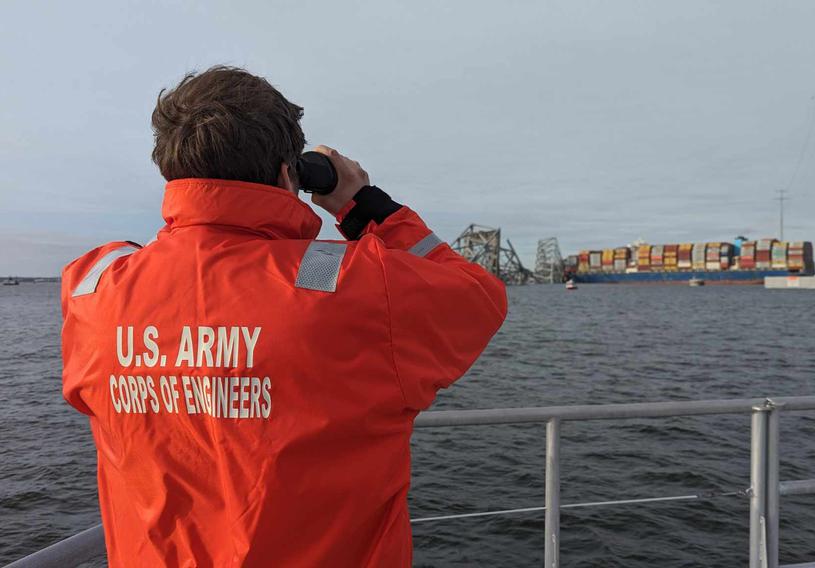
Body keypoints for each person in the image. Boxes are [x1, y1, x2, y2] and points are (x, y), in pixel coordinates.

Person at [60, 66, 507, 567]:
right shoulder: (358, 284)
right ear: (285, 173)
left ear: (171, 169)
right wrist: (363, 205)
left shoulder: (93, 286)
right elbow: (479, 295)